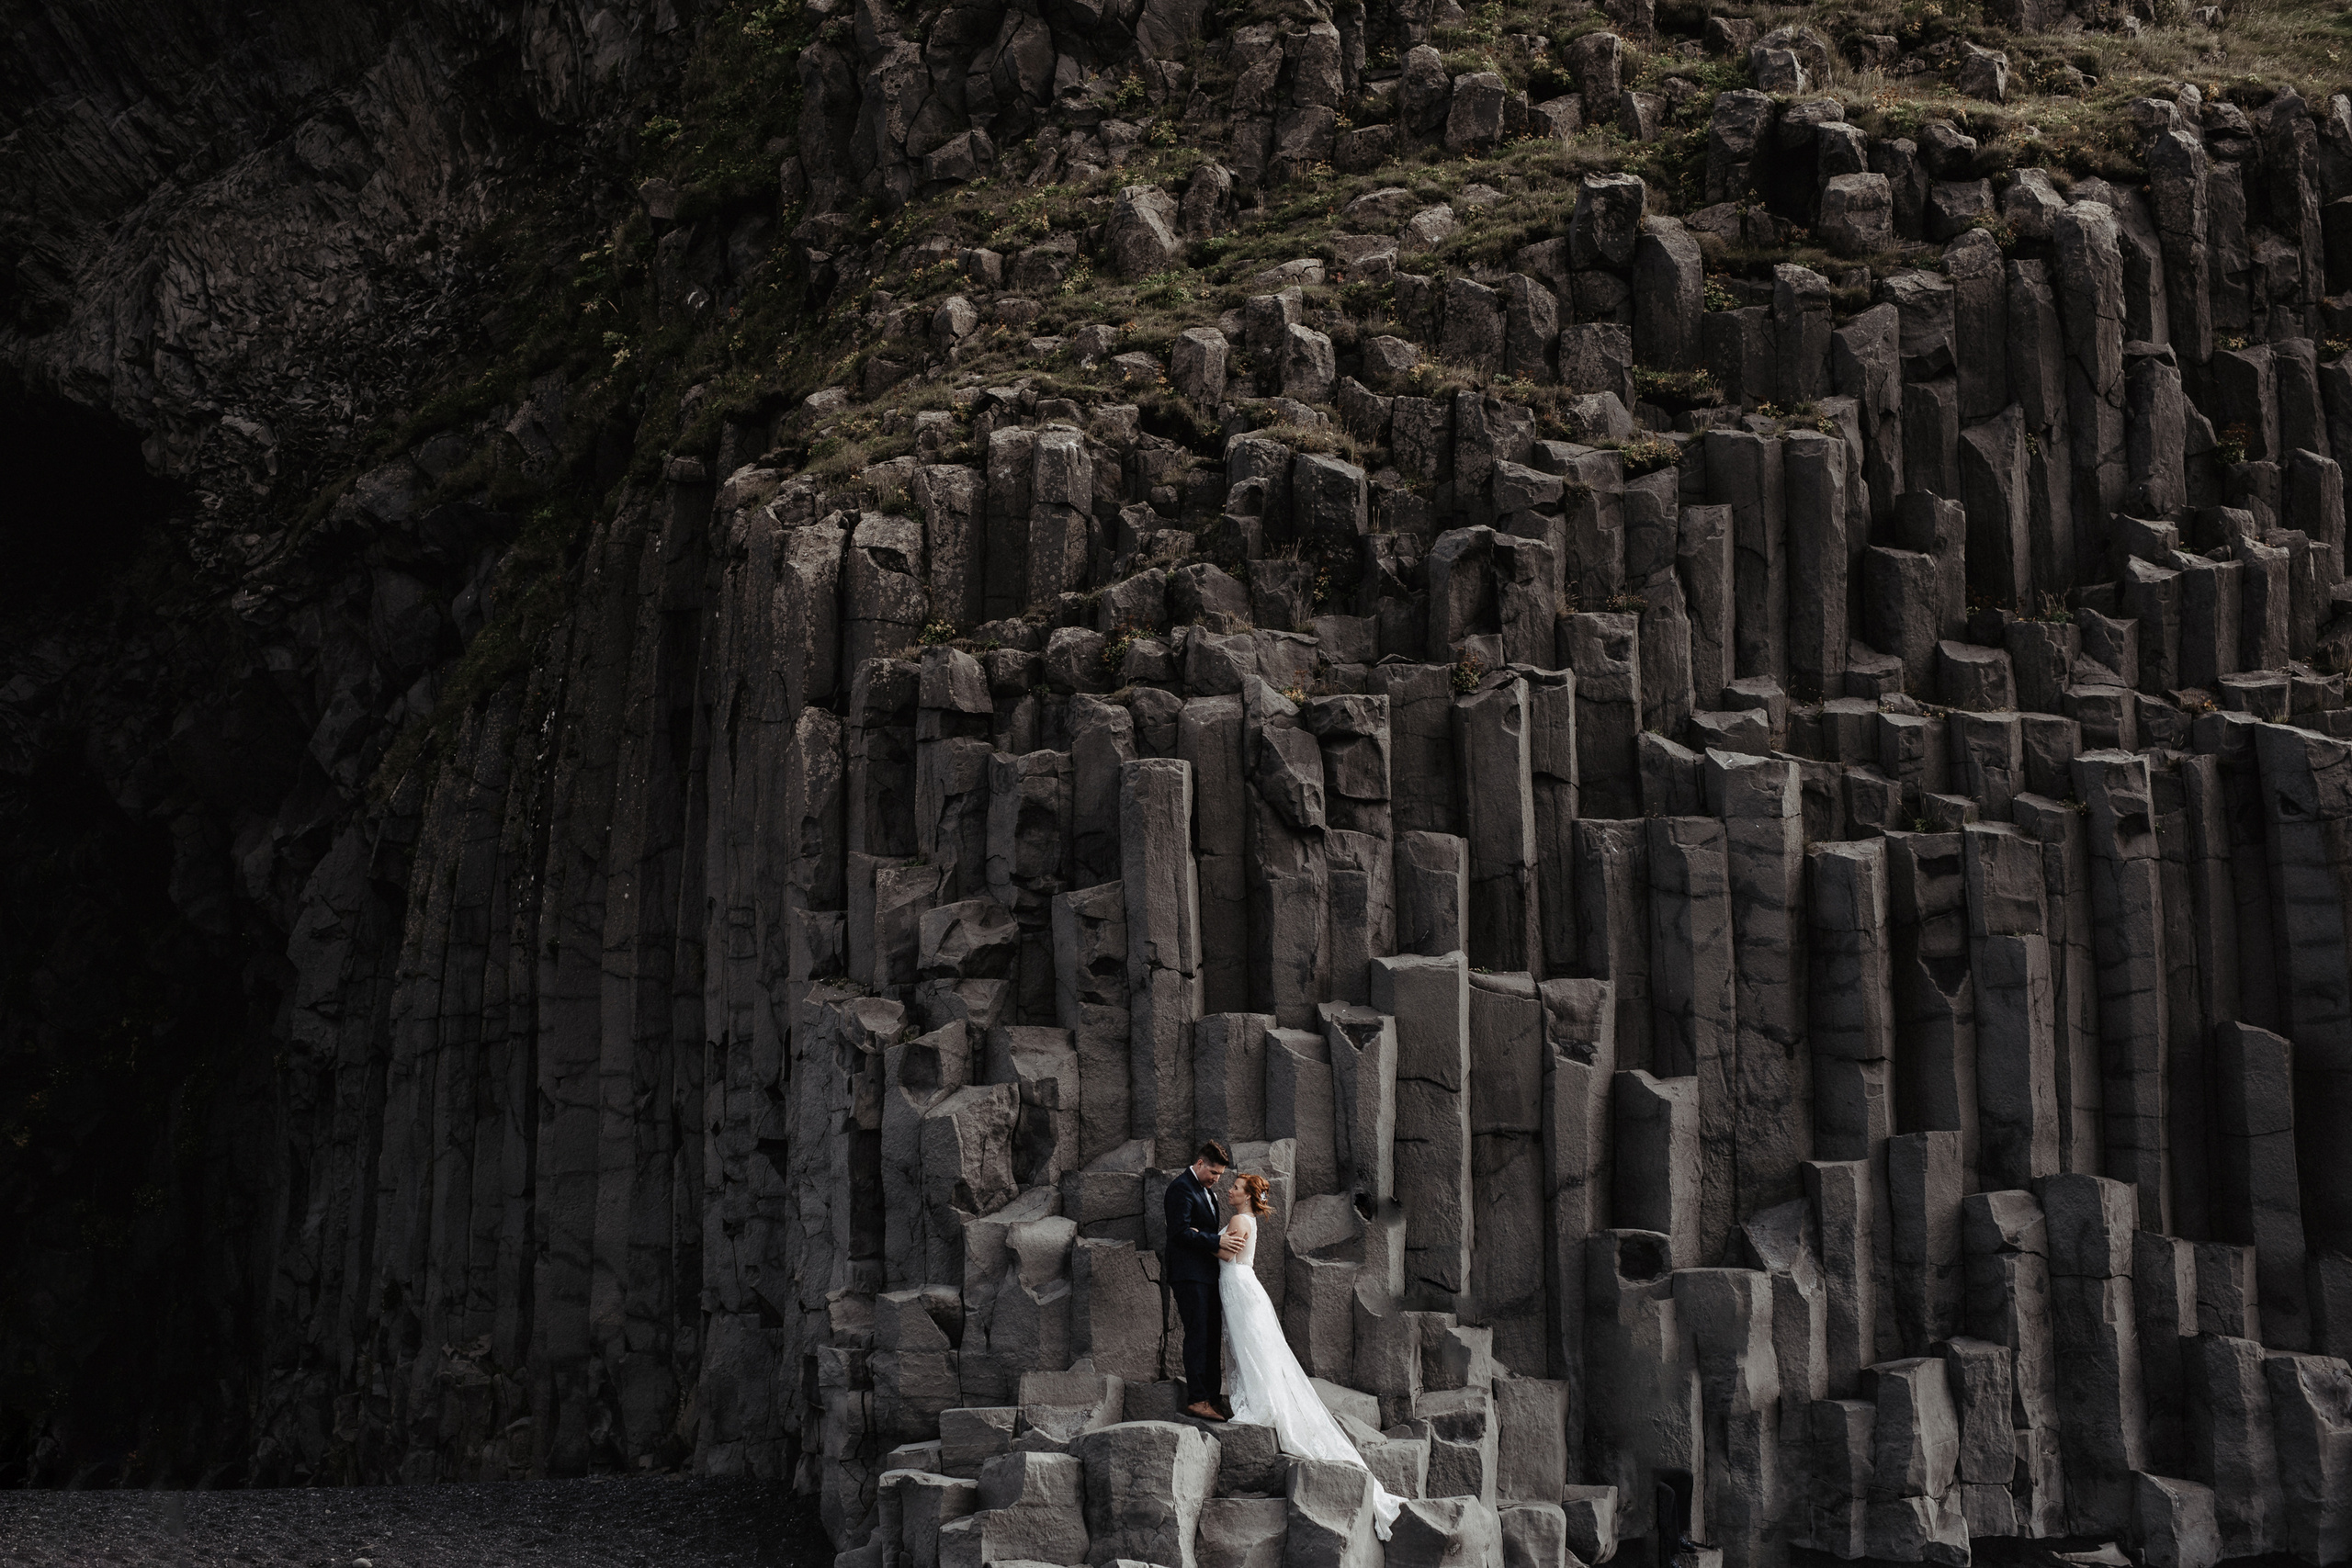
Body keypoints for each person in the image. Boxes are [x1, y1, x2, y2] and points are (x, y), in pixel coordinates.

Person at [1216, 1172, 1402, 1540]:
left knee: (1253, 1349)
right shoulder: (1246, 1218)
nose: (1230, 1190)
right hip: (1240, 1286)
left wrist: (1203, 1240)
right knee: (1255, 1350)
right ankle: (1263, 1396)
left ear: (1247, 1195)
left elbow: (1226, 1253)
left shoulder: (1239, 1220)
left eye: (1235, 1187)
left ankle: (1263, 1402)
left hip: (1239, 1286)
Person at [1161, 1140, 1240, 1421]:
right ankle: (1197, 1399)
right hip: (1188, 1274)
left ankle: (1212, 1398)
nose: (1217, 1179)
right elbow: (1179, 1232)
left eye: (1220, 1175)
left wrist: (1208, 1238)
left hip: (1207, 1274)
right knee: (1198, 1335)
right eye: (1214, 1172)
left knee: (1211, 1336)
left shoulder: (1208, 1192)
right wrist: (1216, 1241)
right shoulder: (1180, 1188)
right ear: (1199, 1164)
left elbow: (1199, 1230)